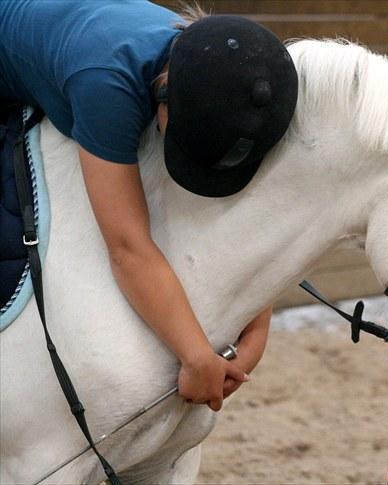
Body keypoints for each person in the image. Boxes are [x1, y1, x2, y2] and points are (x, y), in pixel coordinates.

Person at [0, 1, 297, 411]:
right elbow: (127, 248)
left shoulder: (218, 65)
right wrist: (195, 356)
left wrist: (256, 328)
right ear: (162, 99)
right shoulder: (107, 85)